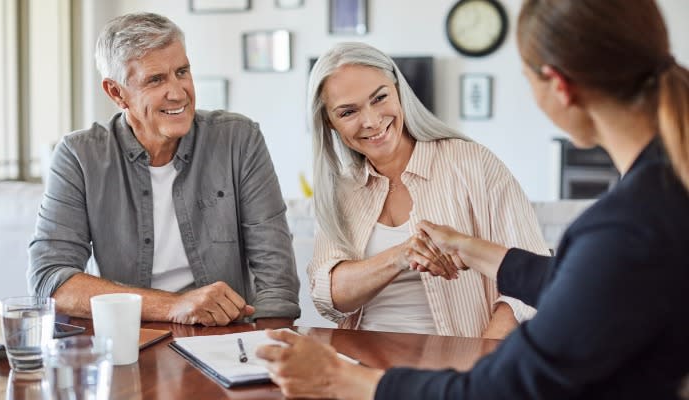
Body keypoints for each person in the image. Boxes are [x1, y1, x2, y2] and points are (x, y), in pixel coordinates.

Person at [257, 0, 689, 398]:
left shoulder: (624, 228)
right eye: (348, 111)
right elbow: (579, 281)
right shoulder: (658, 199)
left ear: (558, 85)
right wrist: (473, 250)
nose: (369, 120)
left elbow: (503, 388)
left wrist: (338, 376)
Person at [27, 12, 300, 327]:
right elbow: (50, 281)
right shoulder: (79, 156)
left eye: (182, 71)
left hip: (225, 337)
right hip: (129, 337)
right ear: (116, 93)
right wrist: (173, 306)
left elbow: (276, 281)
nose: (178, 92)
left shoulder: (238, 138)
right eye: (156, 80)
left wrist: (264, 352)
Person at [306, 42, 548, 339]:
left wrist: (480, 364)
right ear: (329, 124)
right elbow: (328, 297)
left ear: (399, 92)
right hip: (361, 362)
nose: (371, 121)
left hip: (460, 365)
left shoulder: (473, 163)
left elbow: (531, 282)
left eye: (379, 98)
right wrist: (400, 256)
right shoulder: (340, 190)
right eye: (347, 112)